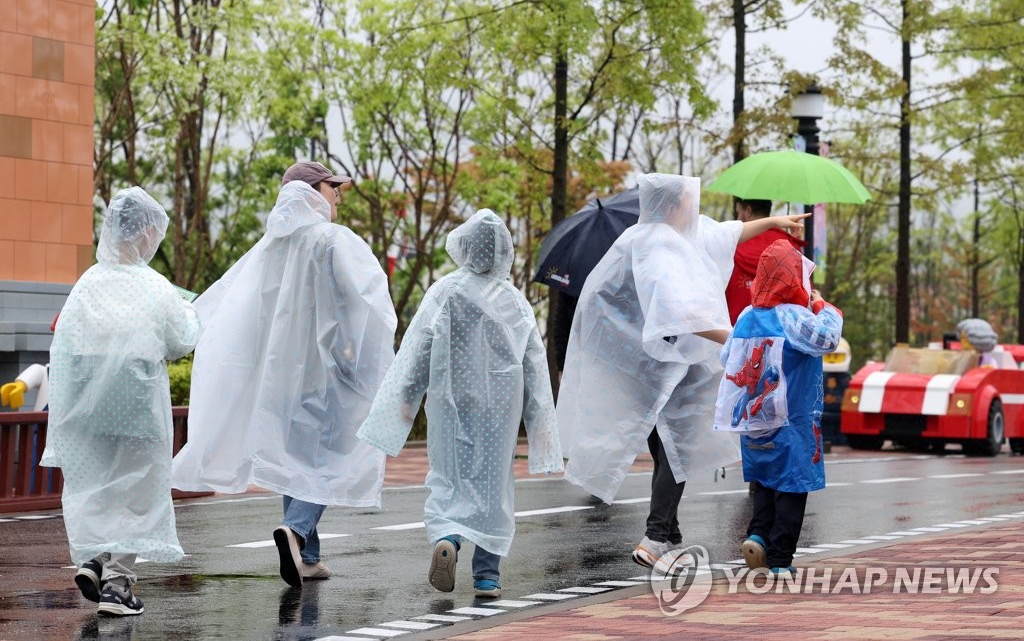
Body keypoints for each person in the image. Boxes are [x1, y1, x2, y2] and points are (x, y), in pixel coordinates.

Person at [556, 173, 808, 569]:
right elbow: (680, 313)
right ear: (675, 205)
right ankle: (656, 537)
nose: (696, 208)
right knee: (678, 446)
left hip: (649, 367)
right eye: (690, 201)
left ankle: (669, 534)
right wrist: (738, 338)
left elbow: (726, 232)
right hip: (664, 367)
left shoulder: (656, 237)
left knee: (667, 446)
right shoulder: (659, 247)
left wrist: (774, 222)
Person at [171, 162, 397, 588]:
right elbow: (364, 299)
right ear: (315, 190)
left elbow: (235, 306)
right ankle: (295, 529)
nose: (338, 196)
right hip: (327, 374)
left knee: (298, 458)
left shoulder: (270, 247)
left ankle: (307, 555)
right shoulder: (332, 241)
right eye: (334, 188)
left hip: (279, 381)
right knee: (327, 459)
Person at [358, 210, 563, 598]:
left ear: (465, 248)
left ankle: (448, 538)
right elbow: (534, 367)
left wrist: (404, 401)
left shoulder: (445, 292)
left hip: (450, 404)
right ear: (503, 251)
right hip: (499, 410)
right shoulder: (515, 303)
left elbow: (418, 349)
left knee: (448, 477)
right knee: (493, 488)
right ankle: (487, 576)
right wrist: (541, 429)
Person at [42, 187, 201, 616]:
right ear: (147, 231)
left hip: (85, 410)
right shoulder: (154, 286)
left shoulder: (86, 284)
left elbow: (65, 346)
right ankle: (117, 586)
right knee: (137, 493)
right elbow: (181, 340)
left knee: (96, 486)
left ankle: (94, 558)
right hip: (136, 408)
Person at [714, 239, 843, 576]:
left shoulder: (746, 316)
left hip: (754, 415)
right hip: (793, 419)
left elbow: (726, 357)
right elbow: (828, 339)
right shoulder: (793, 317)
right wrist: (823, 307)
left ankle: (758, 535)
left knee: (764, 480)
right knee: (792, 484)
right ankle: (781, 560)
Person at [725, 198, 803, 325]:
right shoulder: (790, 247)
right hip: (778, 337)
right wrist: (793, 243)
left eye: (739, 212)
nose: (738, 217)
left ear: (748, 211)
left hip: (735, 333)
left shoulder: (731, 245)